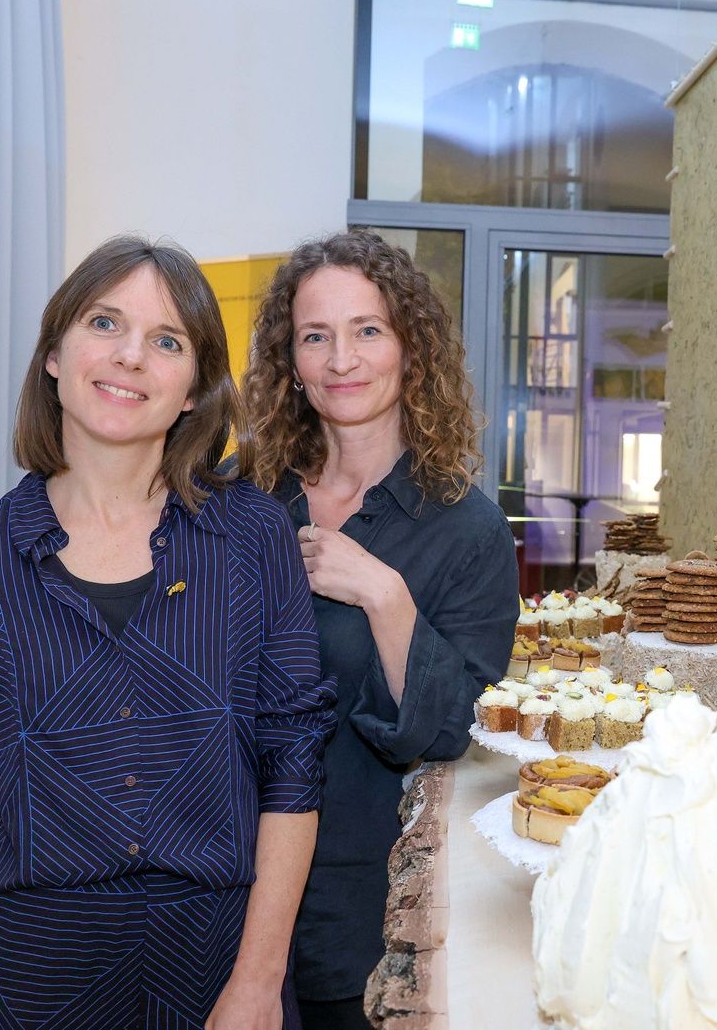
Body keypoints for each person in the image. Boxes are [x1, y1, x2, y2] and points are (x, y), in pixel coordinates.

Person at [0, 236, 336, 1030]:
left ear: (194, 390)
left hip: (221, 974)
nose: (131, 356)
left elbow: (293, 763)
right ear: (54, 354)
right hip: (31, 980)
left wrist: (258, 981)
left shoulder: (253, 534)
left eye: (167, 340)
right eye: (105, 323)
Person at [238, 230, 516, 1028]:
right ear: (290, 359)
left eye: (367, 330)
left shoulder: (468, 530)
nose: (341, 359)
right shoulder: (240, 500)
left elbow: (452, 732)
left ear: (409, 348)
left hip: (362, 914)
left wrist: (384, 595)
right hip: (214, 895)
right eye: (315, 336)